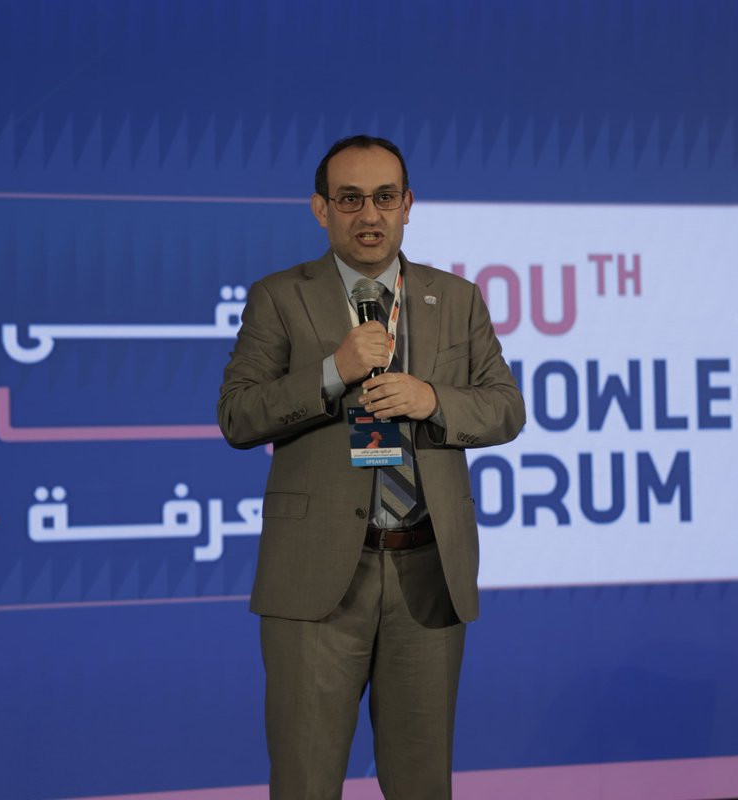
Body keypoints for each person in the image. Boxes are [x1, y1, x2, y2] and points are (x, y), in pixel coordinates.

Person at [217, 134, 525, 799]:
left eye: (385, 198)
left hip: (427, 573)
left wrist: (433, 400)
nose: (369, 215)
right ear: (320, 209)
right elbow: (238, 415)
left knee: (422, 786)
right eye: (350, 199)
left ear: (408, 205)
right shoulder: (280, 297)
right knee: (305, 783)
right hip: (317, 578)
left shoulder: (457, 298)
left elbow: (506, 409)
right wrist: (333, 371)